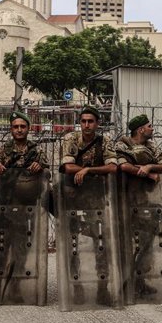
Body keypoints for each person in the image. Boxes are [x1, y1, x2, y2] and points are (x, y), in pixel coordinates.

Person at [0, 110, 49, 303]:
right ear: (11, 129)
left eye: (23, 127)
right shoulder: (2, 151)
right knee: (0, 249)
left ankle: (16, 288)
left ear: (28, 129)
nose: (19, 130)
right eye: (15, 127)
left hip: (26, 209)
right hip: (4, 207)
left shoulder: (37, 151)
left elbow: (47, 175)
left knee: (22, 250)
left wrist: (41, 168)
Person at [60, 106, 118, 304]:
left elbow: (112, 167)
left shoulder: (105, 141)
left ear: (97, 123)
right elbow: (67, 167)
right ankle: (77, 287)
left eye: (90, 121)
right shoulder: (71, 139)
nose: (86, 125)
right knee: (73, 244)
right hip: (73, 198)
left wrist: (86, 170)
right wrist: (94, 171)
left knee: (102, 244)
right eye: (83, 121)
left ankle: (103, 288)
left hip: (97, 200)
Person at [115, 114, 162, 296]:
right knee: (126, 243)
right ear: (140, 130)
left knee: (146, 242)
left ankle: (139, 280)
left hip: (145, 200)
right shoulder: (122, 144)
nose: (152, 128)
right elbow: (122, 166)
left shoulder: (151, 146)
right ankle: (124, 283)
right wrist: (147, 173)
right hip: (125, 201)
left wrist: (150, 167)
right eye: (149, 126)